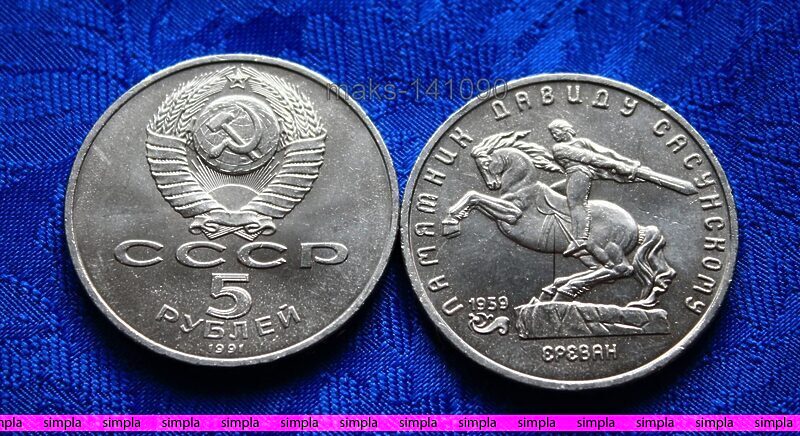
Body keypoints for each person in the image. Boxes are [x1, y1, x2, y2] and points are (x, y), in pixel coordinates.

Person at [547, 119, 641, 256]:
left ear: (565, 130)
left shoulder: (564, 147)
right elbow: (598, 155)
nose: (554, 136)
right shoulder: (563, 147)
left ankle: (580, 238)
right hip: (574, 175)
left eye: (556, 132)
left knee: (576, 203)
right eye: (552, 134)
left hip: (578, 174)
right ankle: (568, 223)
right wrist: (620, 164)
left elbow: (594, 156)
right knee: (551, 191)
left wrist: (625, 163)